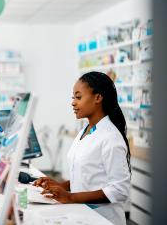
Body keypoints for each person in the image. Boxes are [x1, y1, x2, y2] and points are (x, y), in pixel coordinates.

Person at [34, 71, 131, 225]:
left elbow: (120, 190)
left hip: (103, 219)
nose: (73, 102)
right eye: (73, 97)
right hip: (81, 214)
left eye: (78, 97)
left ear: (98, 98)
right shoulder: (86, 131)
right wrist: (60, 185)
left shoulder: (110, 138)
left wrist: (71, 197)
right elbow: (87, 175)